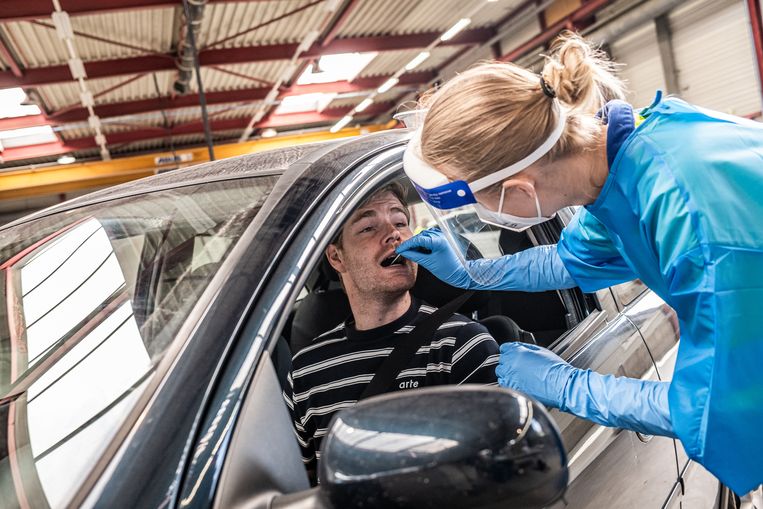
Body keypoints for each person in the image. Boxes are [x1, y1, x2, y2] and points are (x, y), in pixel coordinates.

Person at [396, 31, 763, 496]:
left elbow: (716, 410)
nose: (483, 220)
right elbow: (571, 260)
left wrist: (567, 386)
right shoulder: (623, 164)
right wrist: (478, 271)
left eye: (478, 208)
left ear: (519, 190)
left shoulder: (696, 229)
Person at [283, 183, 500, 482]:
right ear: (336, 258)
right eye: (369, 227)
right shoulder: (306, 368)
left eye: (400, 222)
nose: (395, 234)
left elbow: (492, 477)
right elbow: (302, 480)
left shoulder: (461, 345)